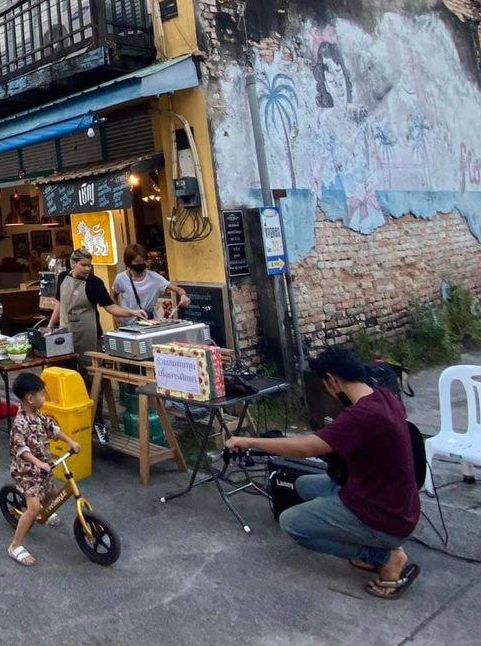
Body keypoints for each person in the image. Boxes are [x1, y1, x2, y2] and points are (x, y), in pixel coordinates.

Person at [227, 346, 422, 599]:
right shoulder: (384, 397)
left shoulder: (361, 416)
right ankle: (363, 536)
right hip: (396, 501)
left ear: (333, 380)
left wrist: (250, 442)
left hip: (386, 516)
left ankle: (384, 556)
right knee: (305, 485)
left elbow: (307, 447)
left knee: (293, 523)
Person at [6, 373, 79, 567]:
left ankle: (44, 514)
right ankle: (15, 546)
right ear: (30, 399)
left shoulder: (38, 415)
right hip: (27, 472)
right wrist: (38, 464)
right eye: (41, 395)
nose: (44, 398)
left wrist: (69, 440)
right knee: (34, 507)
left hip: (43, 468)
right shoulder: (20, 423)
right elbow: (21, 449)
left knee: (52, 493)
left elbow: (52, 429)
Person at [47, 249, 147, 356]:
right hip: (65, 332)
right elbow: (59, 303)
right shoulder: (63, 277)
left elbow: (111, 307)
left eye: (89, 266)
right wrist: (50, 326)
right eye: (83, 265)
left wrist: (133, 312)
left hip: (89, 334)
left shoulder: (95, 283)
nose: (87, 269)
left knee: (89, 365)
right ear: (74, 263)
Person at [111, 244, 190, 319]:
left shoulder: (154, 277)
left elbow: (179, 290)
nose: (141, 264)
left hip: (149, 321)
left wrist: (183, 296)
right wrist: (117, 317)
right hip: (128, 322)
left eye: (144, 261)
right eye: (138, 261)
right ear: (129, 262)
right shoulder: (121, 278)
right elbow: (113, 297)